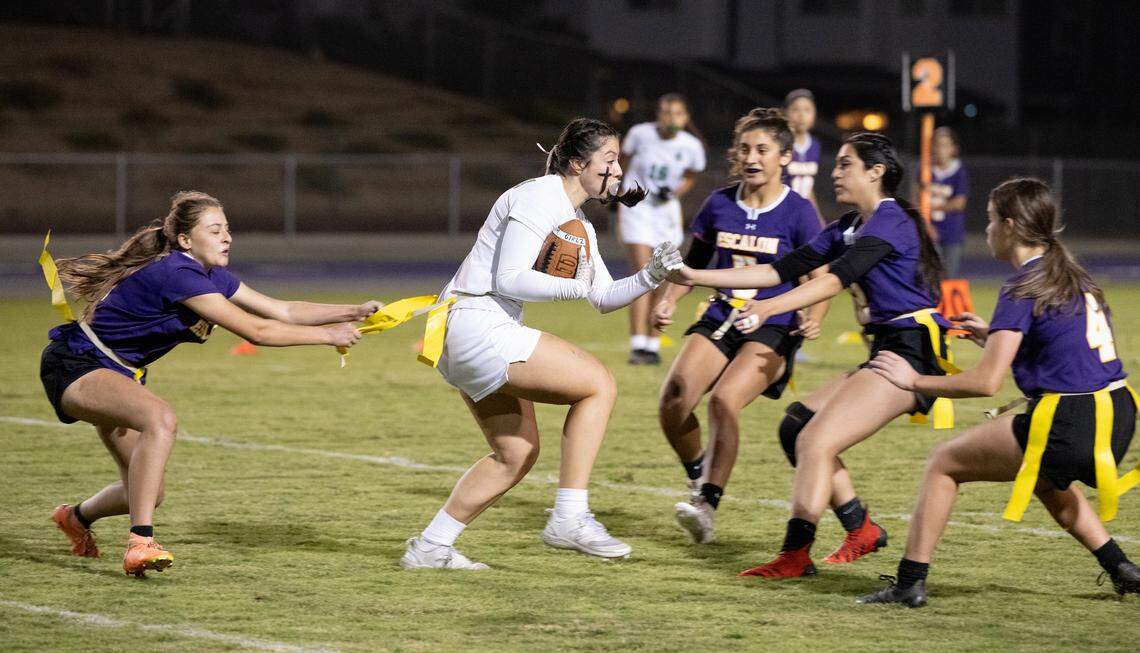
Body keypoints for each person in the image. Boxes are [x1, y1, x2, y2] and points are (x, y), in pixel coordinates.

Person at [43, 191, 375, 577]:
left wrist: (353, 311)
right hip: (76, 364)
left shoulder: (209, 275)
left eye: (227, 229)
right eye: (215, 230)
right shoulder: (177, 273)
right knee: (160, 419)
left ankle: (76, 518)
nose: (227, 237)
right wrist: (328, 336)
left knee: (148, 491)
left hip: (117, 372)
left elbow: (282, 309)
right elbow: (257, 330)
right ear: (185, 240)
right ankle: (140, 544)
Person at [400, 118, 682, 570]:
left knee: (516, 454)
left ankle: (432, 547)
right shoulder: (538, 196)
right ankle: (569, 517)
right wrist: (570, 287)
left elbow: (604, 298)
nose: (616, 170)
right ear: (577, 163)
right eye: (609, 159)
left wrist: (651, 275)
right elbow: (510, 278)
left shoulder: (579, 224)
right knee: (599, 384)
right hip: (476, 321)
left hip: (471, 327)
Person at [670, 132, 950, 578]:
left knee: (815, 441)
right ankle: (861, 528)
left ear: (875, 172)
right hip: (885, 350)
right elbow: (781, 268)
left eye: (845, 165)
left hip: (909, 354)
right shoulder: (847, 226)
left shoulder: (891, 219)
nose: (833, 173)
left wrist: (769, 307)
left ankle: (795, 556)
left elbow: (835, 280)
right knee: (796, 425)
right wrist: (693, 274)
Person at [858, 177, 1140, 607]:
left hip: (1069, 419)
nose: (986, 230)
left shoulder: (1021, 285)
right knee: (1048, 481)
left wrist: (912, 380)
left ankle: (909, 582)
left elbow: (985, 383)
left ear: (1009, 225)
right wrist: (994, 335)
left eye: (990, 220)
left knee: (943, 463)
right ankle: (1122, 568)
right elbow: (1061, 344)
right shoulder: (1068, 272)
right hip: (1116, 415)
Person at [652, 108, 828, 544]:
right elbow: (694, 263)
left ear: (783, 157)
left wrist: (814, 317)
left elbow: (824, 278)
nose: (752, 157)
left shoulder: (799, 212)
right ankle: (698, 473)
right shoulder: (719, 204)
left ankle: (706, 506)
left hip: (774, 321)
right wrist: (670, 298)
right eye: (745, 148)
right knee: (674, 399)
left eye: (763, 149)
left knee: (725, 400)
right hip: (722, 313)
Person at [618, 93, 707, 365]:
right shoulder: (640, 134)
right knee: (642, 272)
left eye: (678, 114)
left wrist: (675, 191)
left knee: (662, 275)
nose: (672, 119)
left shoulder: (691, 145)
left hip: (666, 213)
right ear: (658, 115)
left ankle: (652, 344)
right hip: (638, 208)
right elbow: (622, 160)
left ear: (686, 118)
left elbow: (692, 174)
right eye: (667, 113)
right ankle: (638, 345)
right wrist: (618, 190)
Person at [926, 126, 969, 278]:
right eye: (937, 144)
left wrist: (932, 207)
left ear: (953, 148)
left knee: (949, 277)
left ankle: (947, 303)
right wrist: (927, 224)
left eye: (945, 145)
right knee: (930, 276)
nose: (940, 149)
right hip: (930, 230)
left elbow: (959, 203)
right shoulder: (925, 169)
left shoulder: (959, 171)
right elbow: (916, 198)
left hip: (951, 231)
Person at [782, 88, 823, 220]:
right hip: (781, 210)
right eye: (795, 109)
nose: (801, 115)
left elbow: (808, 186)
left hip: (802, 212)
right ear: (785, 113)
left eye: (807, 110)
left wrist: (817, 216)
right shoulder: (780, 143)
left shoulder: (815, 145)